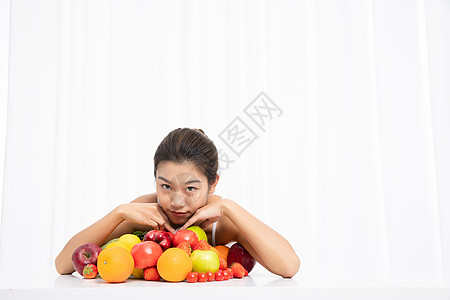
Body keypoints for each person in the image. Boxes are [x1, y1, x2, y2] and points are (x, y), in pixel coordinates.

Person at [55, 128, 300, 278]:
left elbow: (289, 266)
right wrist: (119, 213)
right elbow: (63, 264)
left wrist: (230, 207)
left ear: (213, 183)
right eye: (165, 186)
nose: (176, 201)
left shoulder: (221, 221)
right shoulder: (145, 211)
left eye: (191, 188)